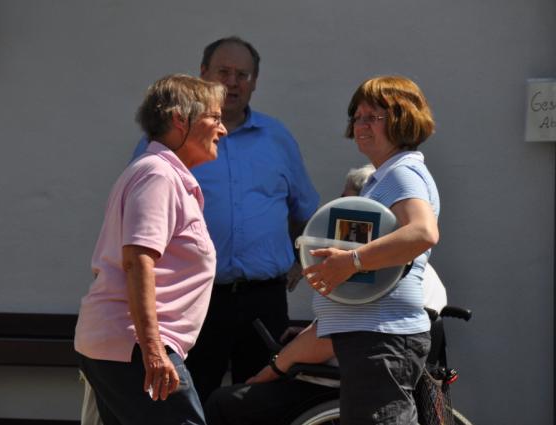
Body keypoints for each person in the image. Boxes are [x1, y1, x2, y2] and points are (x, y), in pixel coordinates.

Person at [132, 36, 320, 404]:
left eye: (243, 75)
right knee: (188, 402)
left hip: (263, 300)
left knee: (263, 403)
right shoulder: (171, 140)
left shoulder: (277, 138)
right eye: (224, 72)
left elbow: (305, 211)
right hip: (193, 299)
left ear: (255, 81)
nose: (233, 83)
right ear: (203, 74)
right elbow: (142, 218)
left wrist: (300, 261)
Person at [204, 163, 447, 425]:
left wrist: (271, 369)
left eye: (347, 203)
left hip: (332, 382)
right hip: (359, 371)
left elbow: (326, 341)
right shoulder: (418, 272)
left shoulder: (379, 278)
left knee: (224, 401)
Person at [74, 74, 227, 425]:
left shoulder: (162, 174)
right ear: (179, 119)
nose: (223, 129)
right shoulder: (158, 175)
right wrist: (154, 350)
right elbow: (137, 261)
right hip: (134, 347)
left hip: (126, 346)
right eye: (215, 118)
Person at [304, 75, 439, 425]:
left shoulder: (401, 173)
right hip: (374, 337)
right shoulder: (386, 175)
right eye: (357, 117)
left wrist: (351, 262)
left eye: (373, 117)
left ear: (402, 120)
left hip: (382, 338)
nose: (360, 125)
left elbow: (423, 231)